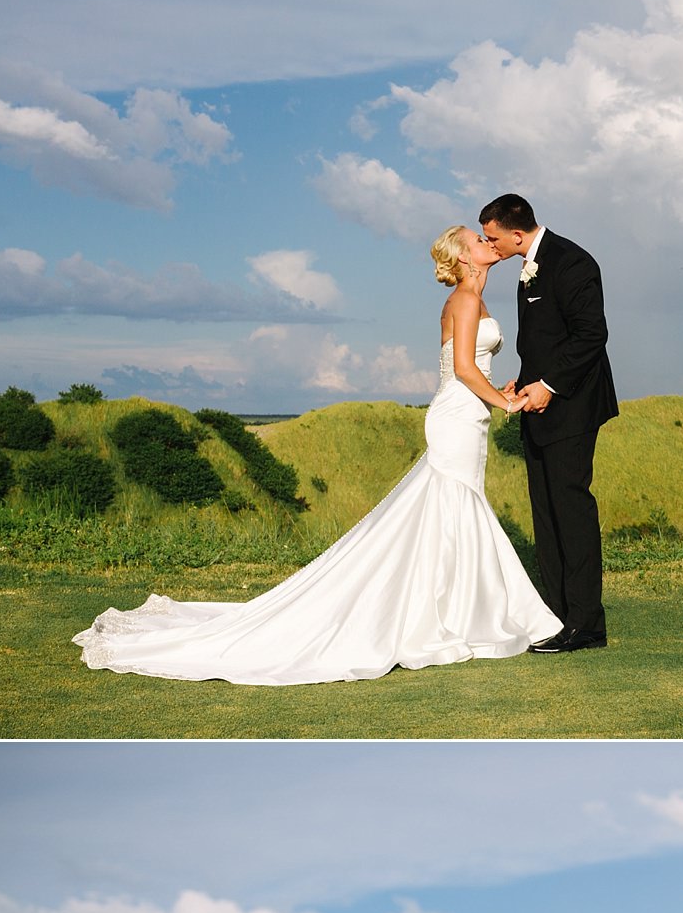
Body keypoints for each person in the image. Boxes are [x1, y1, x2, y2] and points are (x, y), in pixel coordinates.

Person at [71, 228, 557, 686]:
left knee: (451, 506)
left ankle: (453, 607)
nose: (488, 241)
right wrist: (506, 401)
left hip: (466, 415)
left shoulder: (475, 298)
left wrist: (496, 390)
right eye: (478, 239)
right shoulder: (466, 298)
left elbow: (467, 368)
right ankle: (453, 612)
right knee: (453, 503)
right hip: (457, 416)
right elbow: (465, 370)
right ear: (463, 254)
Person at [479, 194, 618, 653]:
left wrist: (550, 385)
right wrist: (527, 377)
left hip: (573, 406)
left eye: (492, 237)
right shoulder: (528, 264)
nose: (488, 245)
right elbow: (547, 336)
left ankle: (586, 625)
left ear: (516, 233)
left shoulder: (572, 261)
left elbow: (591, 335)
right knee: (545, 510)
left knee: (571, 509)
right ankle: (557, 616)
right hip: (537, 402)